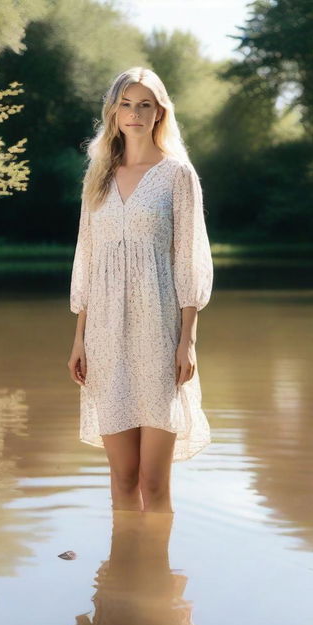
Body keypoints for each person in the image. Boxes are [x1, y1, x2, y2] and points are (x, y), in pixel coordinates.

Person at [67, 66, 214, 514]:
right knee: (123, 477)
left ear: (159, 113)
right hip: (105, 335)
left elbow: (190, 260)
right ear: (113, 112)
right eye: (126, 104)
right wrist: (79, 339)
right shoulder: (99, 176)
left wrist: (186, 341)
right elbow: (87, 260)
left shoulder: (177, 175)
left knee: (154, 481)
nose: (134, 113)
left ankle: (157, 578)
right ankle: (125, 576)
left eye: (144, 104)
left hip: (159, 333)